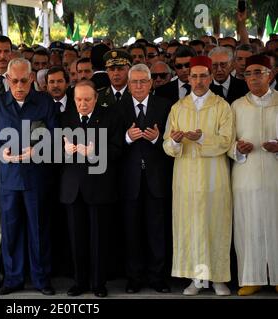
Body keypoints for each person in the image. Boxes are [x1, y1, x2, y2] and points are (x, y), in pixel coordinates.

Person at [0, 58, 56, 296]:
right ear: (8, 80)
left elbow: (57, 135)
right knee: (11, 230)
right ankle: (13, 279)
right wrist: (0, 152)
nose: (19, 85)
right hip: (9, 177)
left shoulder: (44, 103)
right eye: (14, 81)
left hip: (37, 177)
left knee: (39, 229)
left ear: (32, 79)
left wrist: (38, 149)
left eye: (24, 80)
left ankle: (41, 279)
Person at [163, 56, 234, 296]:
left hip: (214, 179)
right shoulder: (178, 107)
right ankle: (196, 278)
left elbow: (226, 141)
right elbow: (166, 145)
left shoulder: (221, 106)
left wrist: (201, 138)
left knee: (215, 225)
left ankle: (217, 278)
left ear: (211, 77)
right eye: (194, 76)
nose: (199, 80)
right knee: (190, 226)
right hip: (186, 179)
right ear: (188, 78)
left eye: (204, 75)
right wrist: (174, 141)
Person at [60, 80, 122, 298]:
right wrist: (64, 149)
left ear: (96, 98)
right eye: (78, 99)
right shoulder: (65, 118)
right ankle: (79, 282)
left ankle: (98, 283)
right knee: (76, 238)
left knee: (99, 238)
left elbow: (117, 150)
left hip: (99, 187)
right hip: (73, 188)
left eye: (87, 99)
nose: (83, 104)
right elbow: (50, 153)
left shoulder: (109, 117)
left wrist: (95, 152)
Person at [118, 64, 171, 294]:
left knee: (157, 231)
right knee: (132, 232)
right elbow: (111, 144)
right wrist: (127, 138)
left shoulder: (164, 106)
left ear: (151, 83)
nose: (139, 86)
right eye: (134, 82)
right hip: (129, 181)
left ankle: (158, 277)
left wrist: (157, 139)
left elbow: (171, 144)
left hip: (156, 180)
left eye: (143, 81)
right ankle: (134, 278)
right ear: (128, 86)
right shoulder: (118, 108)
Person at [228, 55, 278, 296]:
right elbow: (225, 141)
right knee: (248, 227)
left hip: (275, 175)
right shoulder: (237, 106)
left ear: (271, 74)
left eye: (258, 72)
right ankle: (252, 277)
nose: (253, 78)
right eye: (248, 74)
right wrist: (237, 148)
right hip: (246, 176)